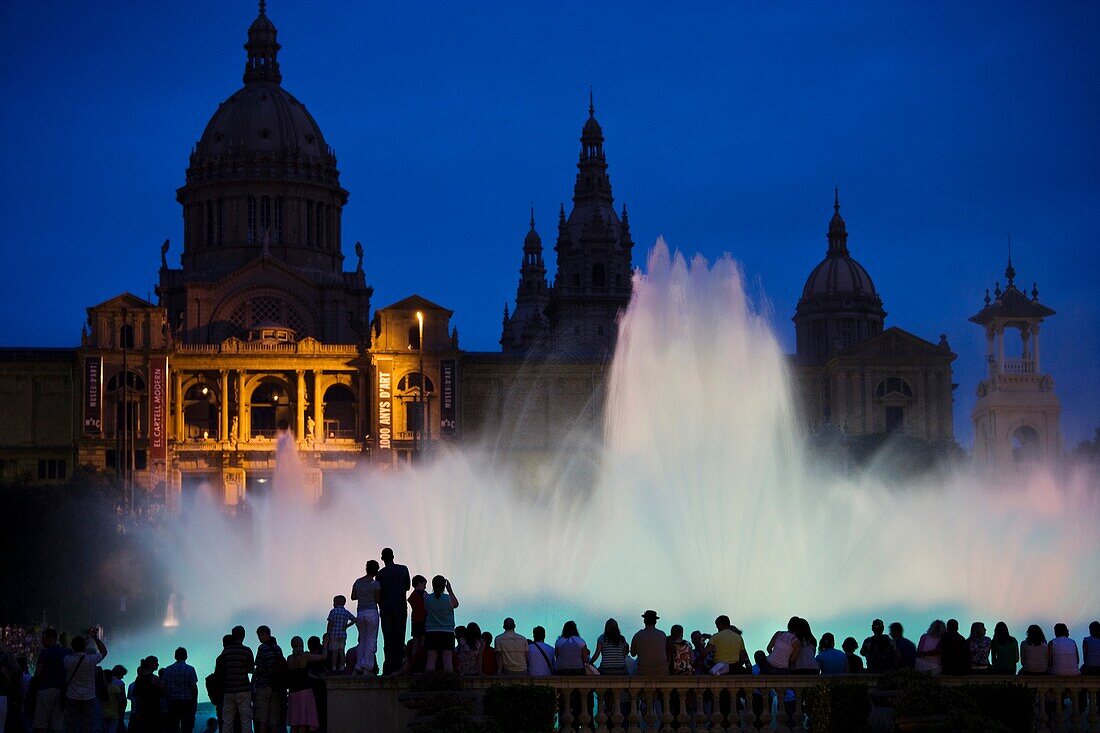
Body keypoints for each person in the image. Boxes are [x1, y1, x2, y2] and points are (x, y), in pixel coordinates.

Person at [62, 628, 108, 733]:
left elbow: (68, 649)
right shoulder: (90, 660)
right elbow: (104, 651)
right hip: (88, 696)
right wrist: (95, 638)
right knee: (87, 723)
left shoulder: (67, 660)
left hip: (72, 695)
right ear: (84, 647)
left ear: (73, 647)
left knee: (71, 722)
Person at [375, 548, 411, 675]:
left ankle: (389, 667)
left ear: (382, 558)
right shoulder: (403, 569)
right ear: (393, 556)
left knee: (388, 639)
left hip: (386, 609)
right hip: (400, 607)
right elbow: (407, 586)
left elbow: (378, 592)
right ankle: (399, 665)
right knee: (399, 638)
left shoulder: (380, 574)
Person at [216, 626, 254, 733]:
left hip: (228, 690)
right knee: (246, 720)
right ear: (244, 636)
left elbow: (222, 670)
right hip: (243, 689)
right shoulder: (247, 651)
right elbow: (251, 669)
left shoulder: (226, 652)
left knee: (227, 721)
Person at [285, 636, 325, 733]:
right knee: (303, 721)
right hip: (305, 691)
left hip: (293, 692)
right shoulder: (305, 656)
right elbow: (324, 657)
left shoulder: (289, 658)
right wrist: (326, 644)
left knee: (294, 722)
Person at [32, 627, 68, 733]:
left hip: (45, 689)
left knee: (41, 722)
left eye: (44, 638)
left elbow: (38, 671)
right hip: (61, 691)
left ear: (52, 639)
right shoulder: (65, 652)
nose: (42, 641)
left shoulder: (45, 653)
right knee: (57, 724)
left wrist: (34, 683)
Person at [351, 562, 381, 675]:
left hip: (360, 613)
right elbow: (378, 600)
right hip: (371, 612)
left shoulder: (358, 582)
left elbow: (353, 596)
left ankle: (358, 665)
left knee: (362, 640)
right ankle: (367, 667)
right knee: (371, 640)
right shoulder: (375, 584)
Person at [423, 576, 459, 673]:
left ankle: (429, 683)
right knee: (447, 660)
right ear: (444, 586)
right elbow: (456, 604)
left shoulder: (427, 598)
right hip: (447, 632)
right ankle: (448, 684)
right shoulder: (448, 598)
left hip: (431, 631)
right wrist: (450, 590)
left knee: (431, 660)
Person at [253, 626, 285, 733]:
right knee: (274, 720)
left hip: (264, 686)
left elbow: (258, 667)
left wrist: (253, 683)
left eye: (260, 635)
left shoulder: (262, 648)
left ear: (266, 634)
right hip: (276, 687)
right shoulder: (278, 648)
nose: (259, 638)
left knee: (263, 719)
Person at [161, 647, 198, 733]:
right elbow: (193, 687)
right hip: (187, 702)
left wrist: (167, 699)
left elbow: (162, 687)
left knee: (173, 727)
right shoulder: (190, 669)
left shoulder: (167, 669)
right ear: (186, 656)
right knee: (187, 727)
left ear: (175, 656)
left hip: (172, 702)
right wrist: (194, 701)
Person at [131, 657, 164, 733]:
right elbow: (161, 693)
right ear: (151, 664)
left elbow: (136, 696)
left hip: (143, 711)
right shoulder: (155, 679)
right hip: (154, 710)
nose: (158, 664)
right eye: (156, 663)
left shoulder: (139, 678)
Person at [631, 610, 668, 677]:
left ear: (644, 621)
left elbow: (633, 654)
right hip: (661, 672)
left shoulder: (638, 635)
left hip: (643, 672)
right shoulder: (662, 635)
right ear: (655, 622)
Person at [325, 596, 356, 673]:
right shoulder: (346, 612)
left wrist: (328, 633)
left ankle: (334, 667)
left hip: (334, 634)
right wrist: (347, 626)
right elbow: (355, 619)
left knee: (334, 652)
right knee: (342, 651)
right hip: (342, 634)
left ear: (336, 602)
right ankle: (342, 666)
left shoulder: (333, 611)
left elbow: (330, 623)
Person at [407, 575, 428, 668]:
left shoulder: (413, 595)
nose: (425, 586)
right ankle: (421, 661)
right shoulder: (423, 594)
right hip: (423, 620)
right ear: (419, 583)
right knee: (423, 642)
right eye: (424, 584)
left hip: (415, 621)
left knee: (416, 642)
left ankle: (413, 662)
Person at [102, 665, 127, 733]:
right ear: (119, 673)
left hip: (103, 712)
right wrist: (122, 709)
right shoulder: (119, 683)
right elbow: (123, 699)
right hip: (114, 712)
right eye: (122, 674)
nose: (122, 677)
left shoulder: (103, 684)